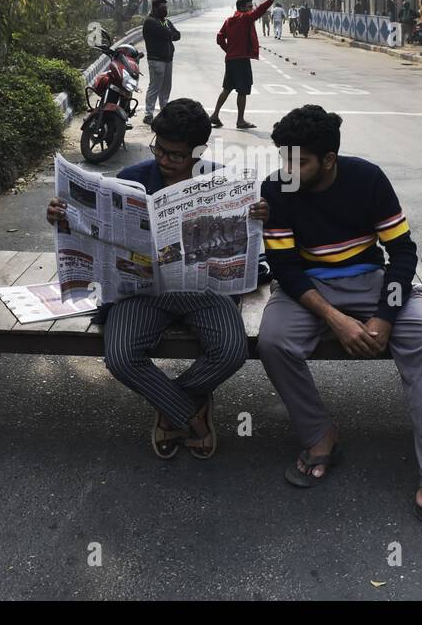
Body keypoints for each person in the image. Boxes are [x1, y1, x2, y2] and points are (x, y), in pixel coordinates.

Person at [257, 105, 422, 547]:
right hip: (305, 289)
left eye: (298, 161)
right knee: (274, 341)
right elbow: (285, 267)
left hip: (371, 282)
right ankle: (320, 434)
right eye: (283, 159)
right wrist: (336, 319)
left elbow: (401, 254)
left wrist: (384, 315)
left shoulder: (367, 179)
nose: (287, 169)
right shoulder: (277, 188)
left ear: (328, 160)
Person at [45, 99, 268, 459]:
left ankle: (171, 407)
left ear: (198, 151)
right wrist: (64, 216)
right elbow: (98, 237)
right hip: (142, 292)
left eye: (176, 155)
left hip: (204, 290)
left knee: (232, 351)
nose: (164, 160)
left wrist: (257, 218)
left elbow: (251, 247)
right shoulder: (132, 180)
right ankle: (192, 412)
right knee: (119, 357)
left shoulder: (220, 182)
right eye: (159, 149)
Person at [211, 0, 283, 130]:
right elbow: (260, 10)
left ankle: (215, 114)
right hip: (241, 60)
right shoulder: (244, 18)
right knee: (242, 91)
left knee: (227, 88)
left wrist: (229, 51)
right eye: (249, 7)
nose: (251, 9)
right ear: (242, 8)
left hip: (231, 59)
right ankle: (240, 120)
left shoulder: (229, 20)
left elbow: (219, 38)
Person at [141, 0, 180, 125]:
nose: (165, 10)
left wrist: (169, 34)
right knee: (154, 87)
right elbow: (167, 33)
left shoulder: (166, 22)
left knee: (166, 87)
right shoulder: (150, 22)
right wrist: (169, 34)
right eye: (162, 8)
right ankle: (148, 114)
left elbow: (177, 35)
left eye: (166, 8)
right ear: (155, 8)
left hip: (168, 59)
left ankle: (164, 112)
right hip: (156, 59)